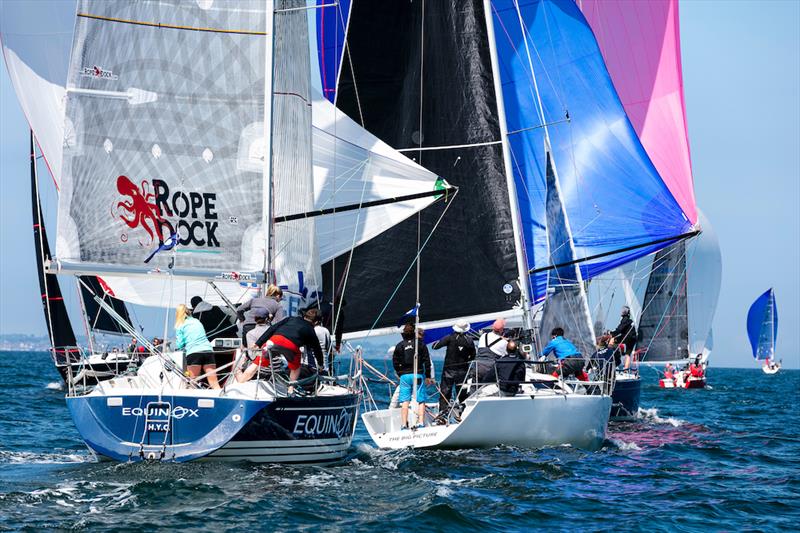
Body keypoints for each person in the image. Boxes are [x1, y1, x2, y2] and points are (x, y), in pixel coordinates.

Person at [254, 307, 323, 383]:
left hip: (275, 339)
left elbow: (272, 328)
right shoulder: (310, 330)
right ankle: (291, 390)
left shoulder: (291, 319)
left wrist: (258, 343)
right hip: (291, 346)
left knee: (256, 364)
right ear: (316, 322)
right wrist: (320, 364)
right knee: (296, 368)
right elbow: (317, 349)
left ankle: (242, 381)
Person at [392, 323, 433, 429]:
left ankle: (403, 424)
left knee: (405, 401)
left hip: (405, 376)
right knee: (421, 400)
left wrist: (400, 373)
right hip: (418, 375)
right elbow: (427, 361)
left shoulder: (400, 345)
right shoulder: (421, 344)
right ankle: (420, 423)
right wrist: (428, 376)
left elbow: (395, 362)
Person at [432, 320, 476, 417]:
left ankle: (443, 413)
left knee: (445, 391)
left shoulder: (449, 337)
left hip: (449, 370)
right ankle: (464, 413)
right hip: (462, 371)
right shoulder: (469, 340)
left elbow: (434, 346)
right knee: (462, 393)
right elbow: (473, 356)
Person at [175, 303, 220, 389]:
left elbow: (180, 344)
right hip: (208, 350)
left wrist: (183, 346)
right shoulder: (196, 321)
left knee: (193, 382)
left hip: (194, 352)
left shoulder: (180, 324)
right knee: (214, 382)